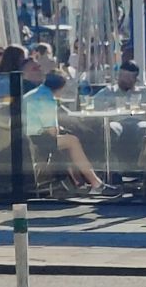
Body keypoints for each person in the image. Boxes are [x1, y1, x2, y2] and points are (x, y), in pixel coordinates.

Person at [21, 63, 110, 195]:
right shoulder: (48, 100)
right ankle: (95, 183)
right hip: (37, 140)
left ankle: (78, 182)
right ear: (61, 88)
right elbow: (52, 131)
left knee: (67, 140)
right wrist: (60, 130)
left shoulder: (32, 94)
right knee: (73, 142)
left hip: (25, 136)